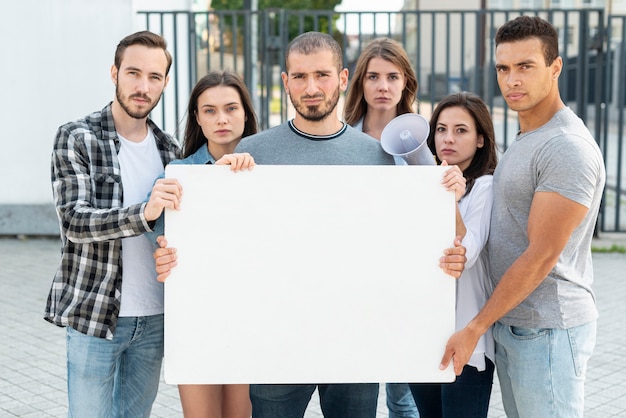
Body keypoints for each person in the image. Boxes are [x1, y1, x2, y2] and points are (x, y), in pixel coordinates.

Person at [154, 31, 468, 418]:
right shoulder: (252, 153)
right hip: (276, 344)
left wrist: (446, 215)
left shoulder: (377, 157)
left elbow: (412, 244)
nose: (312, 87)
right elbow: (226, 244)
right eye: (300, 77)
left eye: (322, 75)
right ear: (285, 82)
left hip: (356, 342)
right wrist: (202, 216)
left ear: (342, 78)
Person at [439, 16, 606, 418]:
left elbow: (541, 255)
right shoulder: (528, 138)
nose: (512, 79)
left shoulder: (565, 146)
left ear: (555, 67)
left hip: (547, 328)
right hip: (515, 324)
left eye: (526, 66)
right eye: (503, 68)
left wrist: (476, 327)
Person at [44, 31, 182, 417]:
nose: (143, 86)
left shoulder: (170, 150)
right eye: (133, 73)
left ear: (165, 83)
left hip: (154, 316)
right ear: (114, 73)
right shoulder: (77, 137)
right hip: (96, 313)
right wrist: (145, 212)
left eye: (154, 77)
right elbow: (74, 220)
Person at [147, 70, 257, 418]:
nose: (221, 119)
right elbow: (162, 240)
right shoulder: (178, 173)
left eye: (230, 108)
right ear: (197, 116)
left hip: (251, 317)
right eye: (209, 110)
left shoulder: (267, 169)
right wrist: (162, 253)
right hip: (195, 316)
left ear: (245, 113)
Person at [343, 37, 421, 418]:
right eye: (373, 77)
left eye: (392, 76)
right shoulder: (339, 137)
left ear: (406, 81)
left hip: (403, 279)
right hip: (352, 278)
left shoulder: (422, 139)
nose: (383, 86)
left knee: (403, 398)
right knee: (353, 390)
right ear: (360, 83)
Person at [409, 92, 498, 418]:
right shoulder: (421, 184)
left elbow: (465, 253)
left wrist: (451, 198)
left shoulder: (487, 187)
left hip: (465, 342)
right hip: (422, 338)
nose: (448, 138)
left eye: (461, 130)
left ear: (479, 140)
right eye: (441, 129)